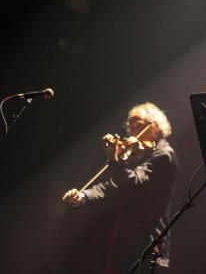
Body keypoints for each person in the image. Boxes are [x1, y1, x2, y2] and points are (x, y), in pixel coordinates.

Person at [62, 102, 178, 273]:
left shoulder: (164, 155)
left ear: (155, 127)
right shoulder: (137, 158)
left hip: (149, 248)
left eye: (138, 126)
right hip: (126, 245)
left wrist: (116, 161)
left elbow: (134, 182)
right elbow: (113, 185)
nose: (133, 133)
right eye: (131, 128)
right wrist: (84, 195)